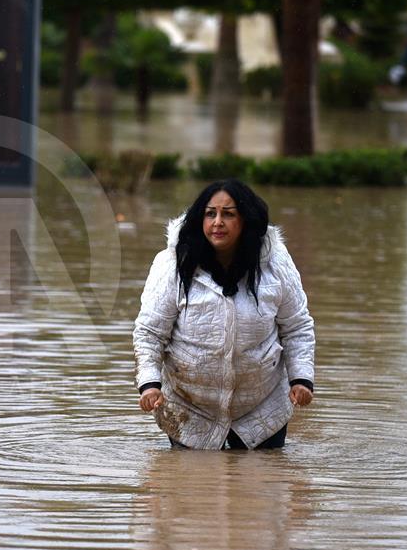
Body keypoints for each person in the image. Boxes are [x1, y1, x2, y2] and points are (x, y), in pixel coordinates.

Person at [132, 179, 315, 450]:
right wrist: (149, 384)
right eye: (210, 214)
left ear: (246, 220)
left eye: (228, 214)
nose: (217, 222)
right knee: (188, 486)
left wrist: (301, 379)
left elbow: (296, 326)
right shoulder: (173, 264)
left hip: (262, 408)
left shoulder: (275, 263)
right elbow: (149, 333)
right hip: (189, 408)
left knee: (265, 485)